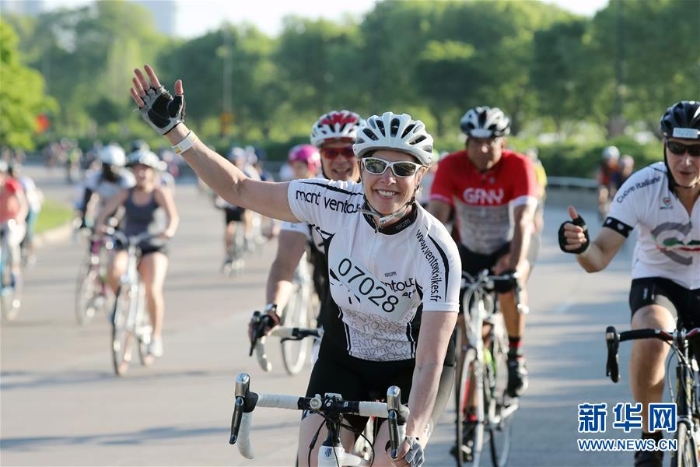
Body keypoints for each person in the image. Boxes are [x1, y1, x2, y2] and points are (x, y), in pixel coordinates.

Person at [130, 64, 461, 467]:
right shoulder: (331, 202)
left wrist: (413, 433)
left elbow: (429, 360)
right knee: (310, 459)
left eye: (403, 169)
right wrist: (176, 133)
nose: (387, 180)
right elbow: (239, 188)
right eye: (375, 166)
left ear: (421, 175)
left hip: (412, 366)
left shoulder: (436, 250)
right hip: (345, 356)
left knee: (393, 460)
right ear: (361, 168)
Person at [558, 100, 700, 467]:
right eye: (677, 150)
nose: (686, 161)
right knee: (653, 336)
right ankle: (650, 439)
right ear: (664, 146)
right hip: (659, 281)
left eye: (697, 152)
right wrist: (582, 245)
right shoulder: (643, 185)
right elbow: (600, 256)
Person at [427, 106, 538, 401]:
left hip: (510, 245)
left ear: (503, 141)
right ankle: (471, 413)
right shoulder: (451, 165)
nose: (482, 148)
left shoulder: (519, 165)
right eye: (475, 142)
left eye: (490, 141)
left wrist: (513, 268)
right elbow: (437, 217)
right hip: (469, 249)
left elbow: (523, 220)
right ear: (466, 142)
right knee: (469, 334)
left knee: (508, 283)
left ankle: (515, 355)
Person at [264, 113, 363, 349]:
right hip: (333, 314)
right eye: (331, 152)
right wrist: (272, 309)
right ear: (320, 156)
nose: (340, 160)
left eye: (348, 151)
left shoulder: (382, 194)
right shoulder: (308, 196)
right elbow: (284, 264)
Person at [95, 148, 179, 358]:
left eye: (145, 169)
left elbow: (173, 218)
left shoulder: (159, 192)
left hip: (153, 245)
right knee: (113, 270)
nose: (140, 173)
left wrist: (168, 231)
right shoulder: (126, 192)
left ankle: (156, 337)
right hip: (128, 241)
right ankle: (119, 304)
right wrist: (100, 226)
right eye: (137, 169)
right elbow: (106, 212)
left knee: (153, 289)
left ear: (153, 172)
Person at [76, 143, 135, 228]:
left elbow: (128, 202)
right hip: (102, 211)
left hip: (121, 213)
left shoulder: (127, 179)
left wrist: (118, 220)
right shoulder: (96, 177)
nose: (110, 170)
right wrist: (85, 217)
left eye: (114, 167)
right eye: (107, 166)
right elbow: (88, 198)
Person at [0, 161, 29, 316]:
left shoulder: (11, 185)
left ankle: (15, 270)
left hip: (12, 223)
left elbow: (22, 202)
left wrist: (20, 216)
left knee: (11, 243)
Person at [7, 164, 43, 266]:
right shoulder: (10, 182)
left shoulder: (24, 181)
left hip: (31, 208)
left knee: (29, 230)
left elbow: (26, 199)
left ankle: (31, 253)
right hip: (18, 210)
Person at [525, 147, 547, 235]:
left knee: (537, 215)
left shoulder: (537, 167)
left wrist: (536, 194)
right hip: (532, 195)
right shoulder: (531, 166)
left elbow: (541, 182)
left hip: (537, 196)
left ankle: (536, 233)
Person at [597, 145, 621, 220]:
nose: (609, 161)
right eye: (607, 159)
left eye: (611, 159)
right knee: (603, 193)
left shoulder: (618, 167)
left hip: (615, 186)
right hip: (606, 185)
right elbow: (600, 179)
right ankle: (602, 209)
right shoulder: (602, 167)